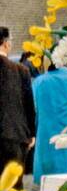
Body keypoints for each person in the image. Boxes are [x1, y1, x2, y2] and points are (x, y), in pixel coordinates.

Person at [0, 26, 36, 174]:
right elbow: (29, 106)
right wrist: (31, 134)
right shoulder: (21, 71)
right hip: (14, 136)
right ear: (6, 44)